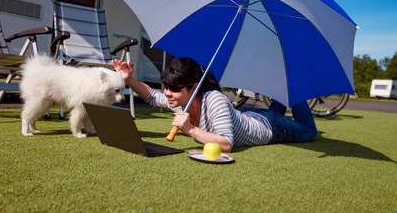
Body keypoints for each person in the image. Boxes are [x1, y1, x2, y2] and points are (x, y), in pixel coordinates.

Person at [112, 57, 317, 152]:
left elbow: (226, 144)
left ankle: (293, 81)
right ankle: (286, 89)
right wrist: (128, 78)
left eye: (173, 88)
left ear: (193, 88)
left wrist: (190, 129)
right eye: (165, 86)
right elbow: (152, 96)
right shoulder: (180, 100)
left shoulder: (214, 99)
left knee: (310, 131)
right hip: (246, 116)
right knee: (276, 110)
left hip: (271, 128)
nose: (167, 93)